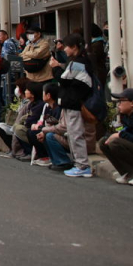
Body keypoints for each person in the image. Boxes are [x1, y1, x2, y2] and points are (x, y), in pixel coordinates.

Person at [51, 34, 93, 178]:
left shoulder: (79, 62)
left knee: (76, 134)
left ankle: (82, 165)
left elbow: (64, 80)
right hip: (71, 101)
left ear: (74, 47)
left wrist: (56, 67)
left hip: (74, 102)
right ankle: (79, 164)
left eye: (67, 46)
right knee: (73, 133)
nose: (64, 49)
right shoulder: (77, 61)